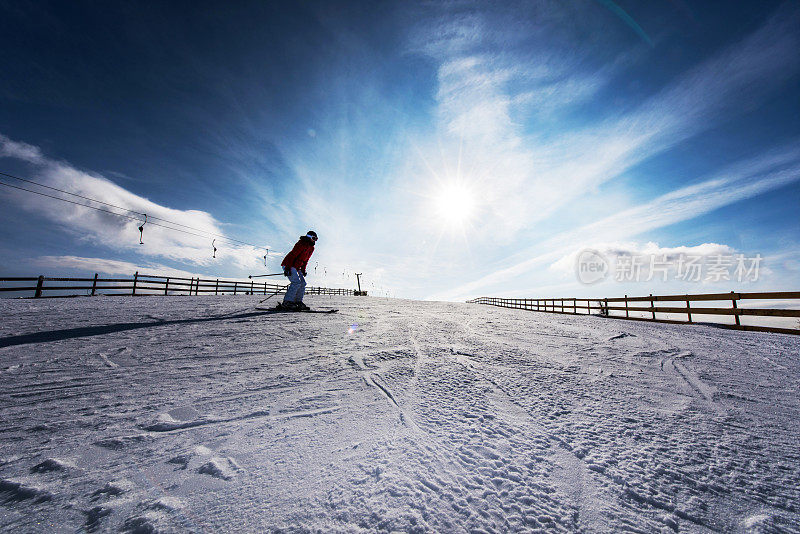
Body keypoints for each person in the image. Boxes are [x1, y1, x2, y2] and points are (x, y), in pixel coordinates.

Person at [280, 230, 317, 310]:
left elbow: (306, 260)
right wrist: (287, 268)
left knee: (303, 283)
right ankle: (287, 302)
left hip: (297, 267)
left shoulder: (311, 248)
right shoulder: (301, 243)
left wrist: (303, 270)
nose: (315, 241)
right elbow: (292, 255)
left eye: (316, 239)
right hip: (289, 264)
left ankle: (298, 302)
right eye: (314, 238)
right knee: (296, 282)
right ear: (309, 237)